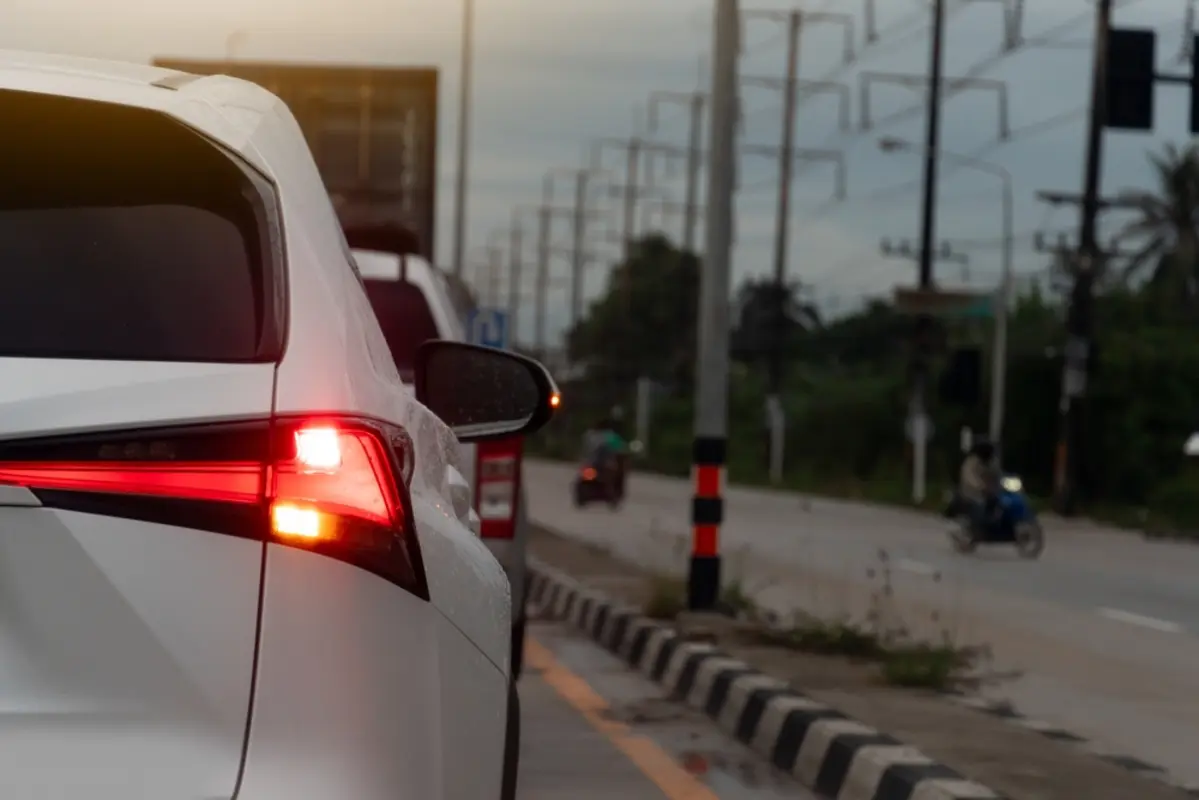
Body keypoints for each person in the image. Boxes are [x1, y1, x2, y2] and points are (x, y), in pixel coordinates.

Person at [959, 437, 1001, 533]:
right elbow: (968, 477)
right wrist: (980, 486)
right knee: (980, 505)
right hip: (972, 493)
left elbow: (997, 473)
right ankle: (977, 529)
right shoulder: (971, 462)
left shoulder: (991, 462)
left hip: (989, 491)